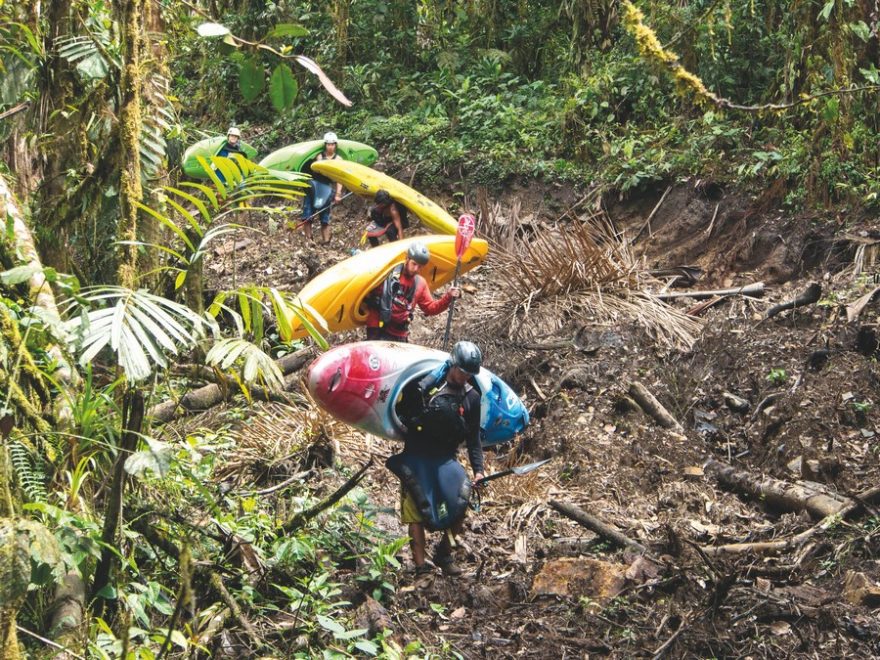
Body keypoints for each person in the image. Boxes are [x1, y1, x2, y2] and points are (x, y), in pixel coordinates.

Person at [390, 341, 487, 575]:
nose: (464, 377)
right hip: (416, 455)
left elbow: (473, 439)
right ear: (453, 365)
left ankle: (444, 554)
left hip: (445, 458)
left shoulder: (472, 398)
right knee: (415, 509)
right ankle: (421, 566)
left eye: (469, 374)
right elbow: (404, 410)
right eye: (462, 371)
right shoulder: (427, 386)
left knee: (461, 503)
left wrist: (479, 470)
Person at [363, 241, 459, 342]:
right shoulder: (388, 273)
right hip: (378, 328)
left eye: (420, 266)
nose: (416, 269)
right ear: (407, 259)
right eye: (414, 264)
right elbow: (367, 289)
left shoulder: (420, 283)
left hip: (399, 333)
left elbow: (431, 308)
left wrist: (448, 297)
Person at [301, 132, 344, 244]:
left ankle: (326, 241)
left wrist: (338, 194)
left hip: (326, 189)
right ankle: (309, 240)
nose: (330, 146)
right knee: (307, 213)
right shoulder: (319, 156)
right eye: (328, 144)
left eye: (332, 144)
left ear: (335, 145)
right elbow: (312, 169)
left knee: (325, 217)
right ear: (325, 145)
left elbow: (340, 178)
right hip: (313, 187)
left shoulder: (338, 159)